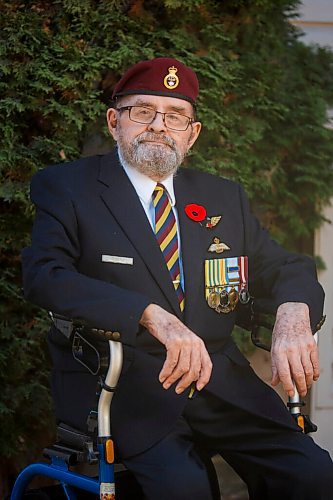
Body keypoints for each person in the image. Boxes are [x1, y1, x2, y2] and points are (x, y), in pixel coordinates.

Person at [22, 57, 333, 499]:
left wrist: (294, 313)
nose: (159, 126)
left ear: (193, 132)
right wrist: (149, 315)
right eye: (143, 111)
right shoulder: (69, 187)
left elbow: (285, 267)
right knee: (187, 489)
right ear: (115, 122)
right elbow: (45, 277)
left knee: (314, 476)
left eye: (175, 116)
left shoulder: (221, 196)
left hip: (223, 385)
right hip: (124, 389)